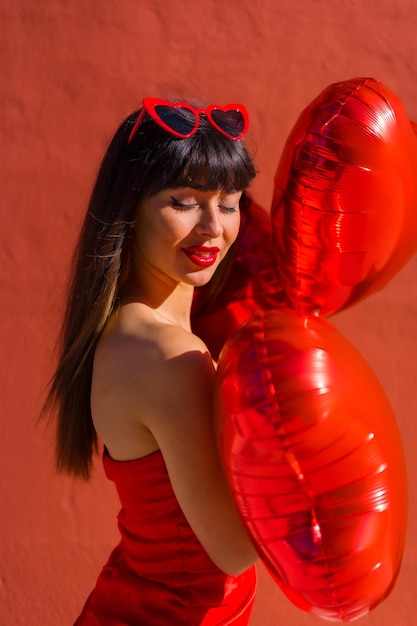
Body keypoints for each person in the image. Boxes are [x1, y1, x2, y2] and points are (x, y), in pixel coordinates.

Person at [43, 97, 259, 625]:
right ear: (130, 208)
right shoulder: (171, 357)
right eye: (185, 201)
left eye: (228, 202)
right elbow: (231, 550)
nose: (214, 227)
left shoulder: (136, 329)